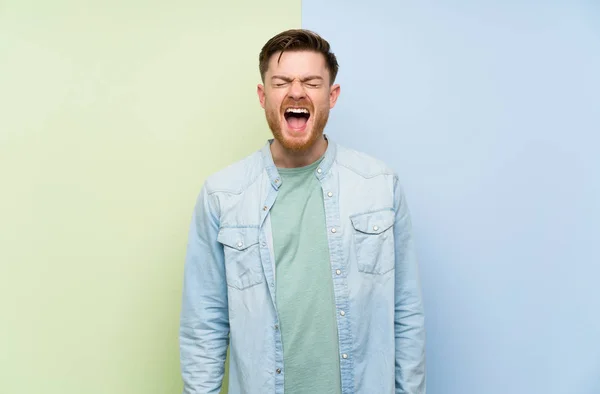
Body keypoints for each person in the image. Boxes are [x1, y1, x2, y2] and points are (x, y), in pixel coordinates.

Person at [179, 29, 426, 394]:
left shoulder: (379, 185)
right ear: (263, 96)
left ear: (332, 95)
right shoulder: (222, 194)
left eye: (311, 82)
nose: (296, 92)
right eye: (282, 82)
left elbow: (406, 314)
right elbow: (204, 326)